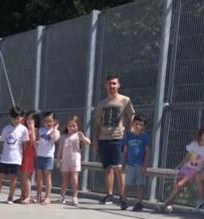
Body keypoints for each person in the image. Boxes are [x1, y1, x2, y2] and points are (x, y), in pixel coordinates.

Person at [93, 73, 135, 205]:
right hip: (103, 137)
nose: (112, 86)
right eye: (109, 84)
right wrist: (96, 139)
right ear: (106, 86)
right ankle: (109, 195)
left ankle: (123, 196)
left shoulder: (125, 100)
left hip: (118, 137)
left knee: (119, 168)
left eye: (114, 83)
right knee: (107, 168)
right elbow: (98, 122)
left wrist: (130, 133)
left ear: (118, 85)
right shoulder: (102, 103)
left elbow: (131, 116)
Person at [160, 124, 204, 213]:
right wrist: (180, 165)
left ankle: (165, 204)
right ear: (201, 133)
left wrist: (202, 172)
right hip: (185, 168)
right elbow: (188, 157)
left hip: (195, 170)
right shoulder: (194, 144)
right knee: (177, 186)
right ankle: (169, 205)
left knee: (179, 185)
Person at [0, 107, 29, 204]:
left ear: (22, 117)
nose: (16, 120)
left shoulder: (24, 129)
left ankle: (10, 197)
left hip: (16, 158)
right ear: (10, 117)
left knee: (13, 178)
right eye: (14, 118)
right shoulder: (6, 128)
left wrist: (19, 153)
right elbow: (2, 141)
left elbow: (25, 144)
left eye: (18, 118)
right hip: (5, 157)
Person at [55, 115, 90, 206]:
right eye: (70, 126)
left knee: (74, 178)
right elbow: (60, 148)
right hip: (65, 160)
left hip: (75, 159)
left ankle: (75, 197)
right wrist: (58, 159)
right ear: (67, 126)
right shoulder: (64, 136)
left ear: (77, 126)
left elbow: (88, 142)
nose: (71, 128)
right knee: (65, 179)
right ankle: (62, 196)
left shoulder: (78, 135)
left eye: (74, 126)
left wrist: (83, 137)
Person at [120, 115, 151, 211]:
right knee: (127, 184)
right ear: (133, 124)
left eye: (141, 125)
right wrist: (123, 164)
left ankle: (139, 203)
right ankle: (124, 201)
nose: (138, 126)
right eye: (136, 124)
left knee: (140, 184)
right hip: (130, 164)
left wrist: (145, 165)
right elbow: (125, 151)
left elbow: (147, 152)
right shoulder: (129, 136)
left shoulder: (145, 137)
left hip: (140, 165)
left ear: (144, 126)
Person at [34, 111, 60, 205]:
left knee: (47, 177)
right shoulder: (40, 130)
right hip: (39, 156)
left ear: (54, 121)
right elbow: (36, 140)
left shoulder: (56, 131)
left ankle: (47, 197)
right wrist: (36, 142)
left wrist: (55, 129)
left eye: (50, 121)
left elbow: (55, 139)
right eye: (46, 121)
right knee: (38, 177)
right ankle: (38, 195)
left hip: (48, 157)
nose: (48, 123)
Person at [18, 111, 38, 204]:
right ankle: (23, 195)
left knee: (26, 177)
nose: (29, 120)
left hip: (30, 155)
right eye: (28, 118)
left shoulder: (35, 130)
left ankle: (28, 196)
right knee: (22, 177)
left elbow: (33, 142)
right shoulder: (24, 129)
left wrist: (32, 129)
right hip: (23, 154)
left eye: (32, 119)